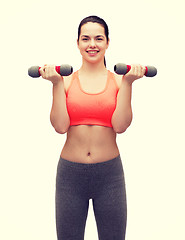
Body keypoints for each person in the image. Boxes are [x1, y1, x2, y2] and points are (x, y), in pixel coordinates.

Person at [39, 15, 145, 240]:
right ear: (77, 43)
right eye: (85, 39)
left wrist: (128, 83)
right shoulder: (66, 81)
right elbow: (60, 126)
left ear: (107, 42)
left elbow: (120, 125)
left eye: (99, 38)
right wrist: (56, 84)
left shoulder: (118, 81)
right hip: (70, 175)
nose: (92, 44)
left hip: (109, 175)